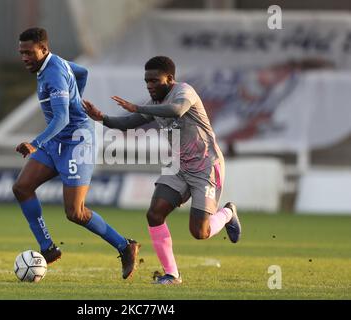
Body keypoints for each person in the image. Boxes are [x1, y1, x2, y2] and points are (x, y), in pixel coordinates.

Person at [83, 56, 241, 285]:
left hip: (206, 166)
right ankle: (172, 275)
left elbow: (176, 111)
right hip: (178, 166)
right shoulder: (155, 103)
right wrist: (102, 118)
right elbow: (130, 122)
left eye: (155, 81)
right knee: (154, 214)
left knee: (200, 232)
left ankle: (227, 213)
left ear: (170, 79)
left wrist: (137, 106)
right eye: (147, 81)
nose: (150, 85)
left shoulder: (185, 92)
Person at [13, 27, 140, 280]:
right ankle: (47, 248)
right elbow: (83, 72)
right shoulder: (52, 63)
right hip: (56, 141)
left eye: (29, 52)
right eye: (21, 53)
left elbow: (62, 117)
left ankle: (125, 246)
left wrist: (35, 143)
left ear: (44, 49)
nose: (24, 57)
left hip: (75, 142)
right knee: (22, 187)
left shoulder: (54, 75)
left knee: (76, 212)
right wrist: (77, 96)